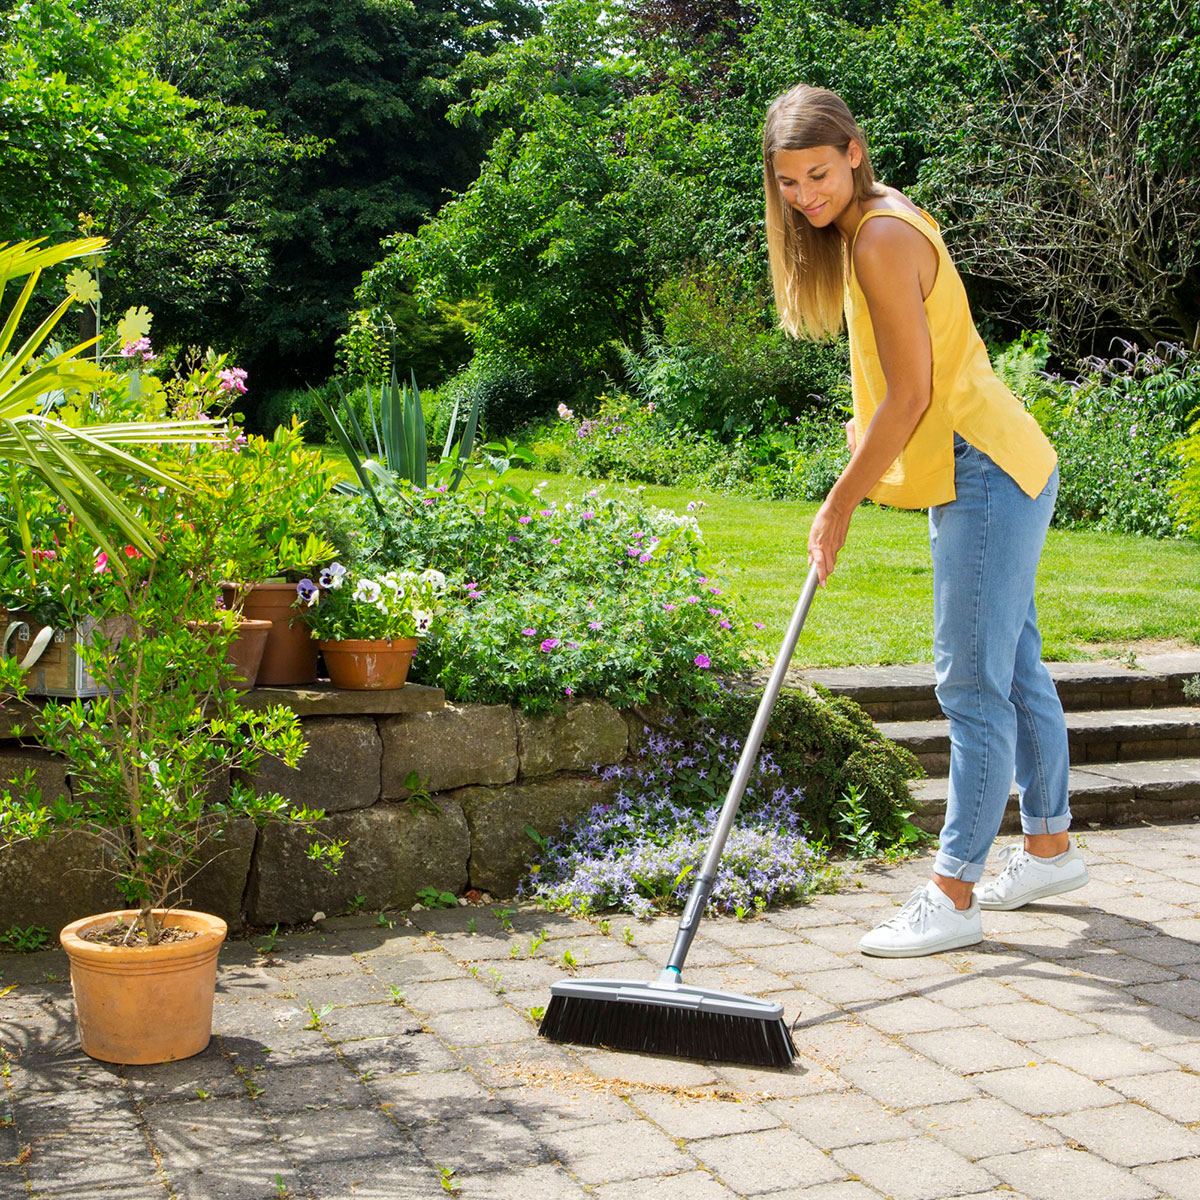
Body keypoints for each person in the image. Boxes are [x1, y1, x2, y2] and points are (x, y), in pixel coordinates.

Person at [762, 84, 1088, 957]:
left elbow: (909, 396)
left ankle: (953, 893)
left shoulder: (877, 238)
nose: (805, 196)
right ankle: (1049, 845)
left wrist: (839, 502)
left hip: (985, 470)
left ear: (855, 153)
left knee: (970, 687)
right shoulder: (880, 221)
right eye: (789, 182)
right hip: (1000, 461)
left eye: (819, 173)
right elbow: (908, 380)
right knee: (1012, 665)